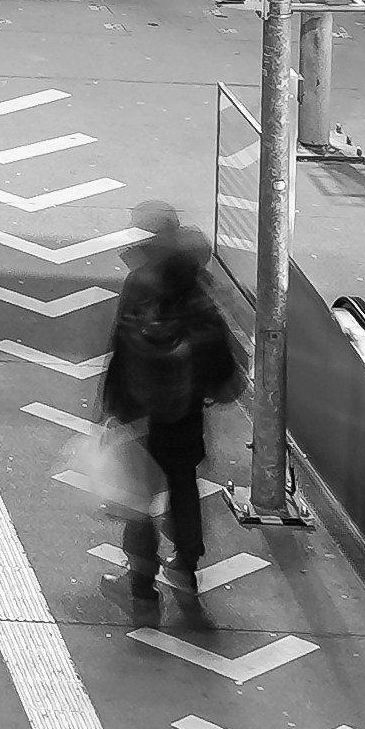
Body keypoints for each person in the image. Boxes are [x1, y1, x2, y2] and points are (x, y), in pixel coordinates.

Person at [98, 204, 245, 631]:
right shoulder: (197, 290)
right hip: (183, 420)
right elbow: (221, 356)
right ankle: (186, 572)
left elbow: (121, 353)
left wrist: (109, 409)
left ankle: (141, 593)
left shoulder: (138, 286)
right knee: (183, 492)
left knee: (138, 505)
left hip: (139, 419)